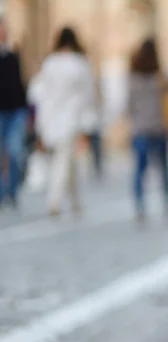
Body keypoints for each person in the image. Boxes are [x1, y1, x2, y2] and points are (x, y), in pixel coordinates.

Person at [28, 27, 97, 217]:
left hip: (54, 118)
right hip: (70, 119)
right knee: (63, 160)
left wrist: (40, 124)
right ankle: (55, 201)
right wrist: (87, 124)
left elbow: (40, 93)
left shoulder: (50, 63)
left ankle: (74, 200)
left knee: (66, 160)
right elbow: (88, 95)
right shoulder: (80, 63)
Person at [127, 38, 168, 223]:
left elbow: (128, 105)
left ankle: (140, 206)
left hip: (140, 129)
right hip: (158, 128)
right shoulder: (160, 78)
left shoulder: (133, 78)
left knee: (139, 171)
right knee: (163, 169)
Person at [0, 18, 28, 208]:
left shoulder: (12, 55)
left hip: (15, 112)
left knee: (15, 151)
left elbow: (20, 85)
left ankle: (13, 190)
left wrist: (26, 111)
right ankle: (2, 192)